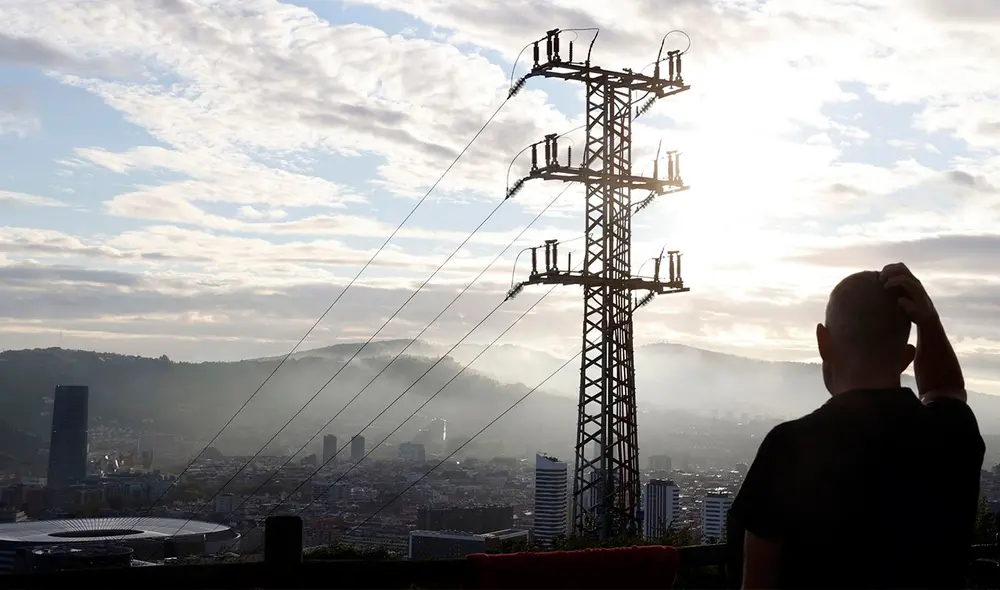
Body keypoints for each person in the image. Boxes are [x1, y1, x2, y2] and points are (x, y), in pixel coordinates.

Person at [730, 263, 985, 589]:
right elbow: (946, 390)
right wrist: (929, 322)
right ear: (907, 358)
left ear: (823, 341)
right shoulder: (953, 435)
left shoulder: (789, 448)